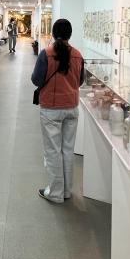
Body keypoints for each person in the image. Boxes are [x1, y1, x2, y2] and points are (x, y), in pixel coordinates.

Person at [31, 18, 85, 204]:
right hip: (72, 107)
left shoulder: (46, 53)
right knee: (68, 150)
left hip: (51, 109)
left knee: (53, 151)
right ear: (70, 34)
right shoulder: (78, 55)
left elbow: (36, 79)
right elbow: (80, 81)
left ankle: (55, 192)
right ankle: (66, 191)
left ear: (53, 34)